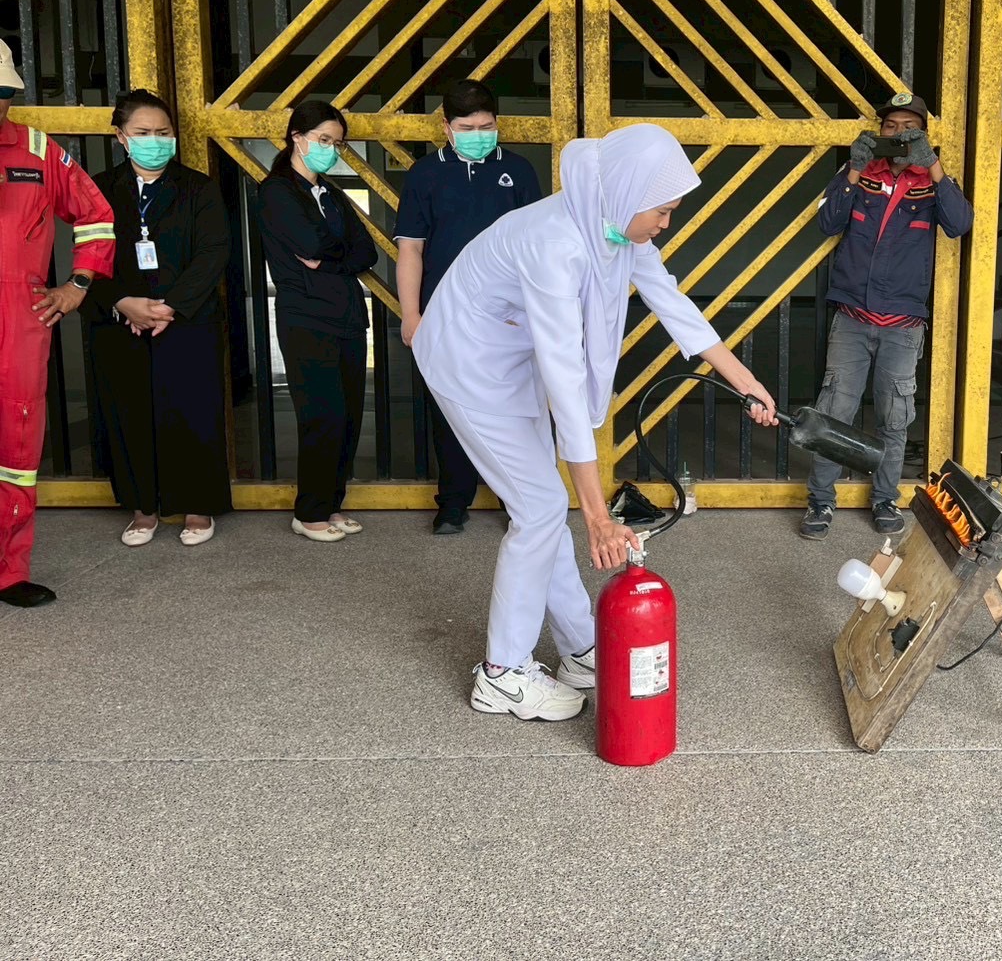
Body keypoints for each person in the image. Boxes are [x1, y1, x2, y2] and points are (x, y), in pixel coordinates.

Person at [414, 124, 778, 722]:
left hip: (510, 360)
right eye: (662, 212)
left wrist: (744, 380)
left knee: (540, 507)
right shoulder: (555, 243)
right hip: (468, 364)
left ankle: (582, 648)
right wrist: (598, 517)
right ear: (630, 194)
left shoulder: (611, 222)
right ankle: (503, 674)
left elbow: (671, 301)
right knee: (539, 510)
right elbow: (564, 376)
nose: (666, 224)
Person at [800, 92, 974, 541]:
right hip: (852, 320)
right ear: (879, 132)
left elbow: (959, 223)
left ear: (924, 135)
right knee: (834, 413)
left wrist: (932, 165)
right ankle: (820, 501)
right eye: (890, 127)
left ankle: (884, 499)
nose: (898, 134)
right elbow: (828, 222)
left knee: (894, 419)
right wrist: (853, 169)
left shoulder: (932, 182)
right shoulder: (859, 174)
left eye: (909, 128)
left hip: (902, 325)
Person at [85, 90, 232, 547]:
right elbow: (87, 255)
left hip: (187, 318)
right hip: (120, 320)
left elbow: (213, 252)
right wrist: (121, 302)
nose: (155, 140)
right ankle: (142, 507)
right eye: (143, 132)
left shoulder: (198, 187)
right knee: (128, 411)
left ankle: (197, 505)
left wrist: (170, 307)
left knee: (191, 410)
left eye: (163, 132)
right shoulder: (99, 188)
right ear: (121, 137)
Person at [394, 78, 541, 535]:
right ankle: (453, 503)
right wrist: (412, 314)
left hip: (508, 316)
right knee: (450, 408)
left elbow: (536, 248)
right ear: (446, 127)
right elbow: (411, 248)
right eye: (467, 128)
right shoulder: (424, 175)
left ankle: (519, 500)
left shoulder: (518, 171)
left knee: (513, 407)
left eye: (486, 126)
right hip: (444, 314)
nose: (478, 135)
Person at [0, 39, 116, 607]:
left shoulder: (37, 149)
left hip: (18, 321)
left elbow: (96, 215)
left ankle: (8, 571)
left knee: (16, 447)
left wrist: (77, 285)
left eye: (2, 93)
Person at [257, 100, 377, 543]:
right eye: (323, 139)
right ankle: (309, 512)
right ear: (297, 137)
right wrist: (338, 253)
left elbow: (367, 251)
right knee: (321, 417)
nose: (330, 149)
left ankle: (331, 503)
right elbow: (310, 241)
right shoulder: (277, 192)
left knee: (348, 418)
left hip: (347, 315)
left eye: (337, 143)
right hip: (307, 318)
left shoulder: (331, 193)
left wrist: (329, 261)